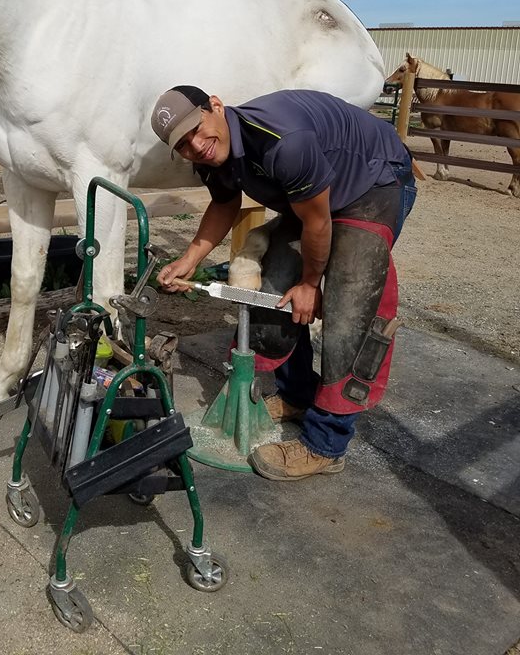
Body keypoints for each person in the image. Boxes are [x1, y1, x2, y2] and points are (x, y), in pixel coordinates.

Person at [150, 85, 416, 480]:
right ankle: (297, 396)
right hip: (313, 197)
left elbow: (318, 223)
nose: (195, 146)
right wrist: (190, 259)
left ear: (216, 107)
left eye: (196, 129)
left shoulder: (283, 142)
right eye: (183, 144)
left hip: (373, 182)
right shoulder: (210, 152)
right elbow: (225, 203)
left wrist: (311, 284)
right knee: (274, 286)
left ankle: (326, 445)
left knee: (350, 306)